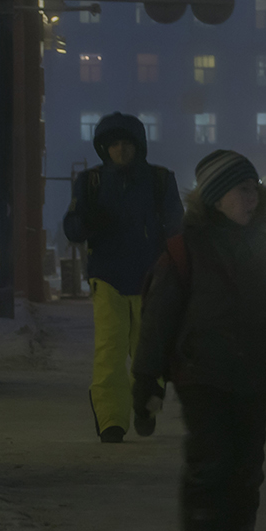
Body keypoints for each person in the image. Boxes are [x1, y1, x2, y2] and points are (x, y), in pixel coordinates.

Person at [131, 150, 266, 531]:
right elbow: (158, 321)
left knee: (247, 464)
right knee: (211, 458)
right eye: (242, 190)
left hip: (251, 378)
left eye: (254, 189)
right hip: (202, 376)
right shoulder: (184, 251)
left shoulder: (265, 248)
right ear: (216, 198)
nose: (252, 198)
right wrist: (147, 383)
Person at [62, 112, 184, 443]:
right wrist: (88, 221)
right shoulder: (91, 182)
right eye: (113, 144)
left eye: (126, 143)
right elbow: (72, 227)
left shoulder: (160, 180)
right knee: (110, 352)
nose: (120, 150)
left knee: (149, 353)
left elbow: (177, 230)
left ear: (139, 146)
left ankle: (145, 406)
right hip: (108, 278)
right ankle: (112, 420)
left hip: (153, 281)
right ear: (104, 148)